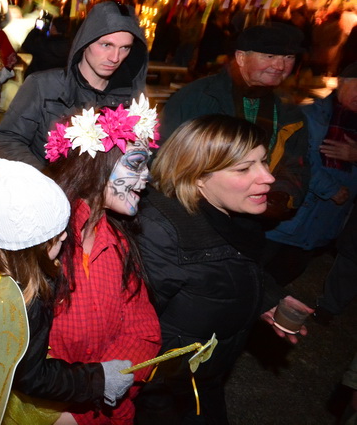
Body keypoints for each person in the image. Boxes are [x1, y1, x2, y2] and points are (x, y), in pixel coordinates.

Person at [135, 114, 313, 424]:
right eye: (244, 168)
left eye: (263, 162)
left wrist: (266, 299)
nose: (268, 178)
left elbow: (230, 268)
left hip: (203, 379)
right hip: (163, 395)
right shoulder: (159, 235)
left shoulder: (234, 217)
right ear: (197, 176)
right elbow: (131, 341)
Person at [0, 158, 134, 424]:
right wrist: (96, 380)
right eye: (56, 235)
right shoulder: (24, 304)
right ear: (32, 250)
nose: (65, 237)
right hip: (5, 381)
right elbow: (31, 376)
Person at [41, 98, 162, 424]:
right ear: (98, 166)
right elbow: (5, 348)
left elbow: (144, 332)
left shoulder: (120, 243)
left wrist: (109, 378)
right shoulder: (42, 242)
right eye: (136, 164)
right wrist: (53, 413)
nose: (147, 177)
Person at [159, 22, 309, 223]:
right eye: (270, 56)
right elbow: (164, 158)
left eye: (289, 58)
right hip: (194, 215)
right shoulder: (198, 98)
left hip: (254, 222)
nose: (280, 66)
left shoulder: (287, 111)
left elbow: (294, 163)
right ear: (240, 58)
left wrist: (281, 194)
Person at [0, 1, 148, 168]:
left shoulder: (130, 97)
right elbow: (8, 139)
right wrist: (45, 183)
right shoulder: (43, 86)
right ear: (85, 42)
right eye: (106, 45)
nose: (115, 57)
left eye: (125, 48)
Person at [263, 62, 357, 284]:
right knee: (256, 269)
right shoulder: (310, 115)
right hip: (289, 216)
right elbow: (293, 158)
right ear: (341, 83)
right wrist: (330, 188)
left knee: (283, 277)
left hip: (322, 224)